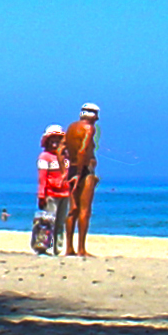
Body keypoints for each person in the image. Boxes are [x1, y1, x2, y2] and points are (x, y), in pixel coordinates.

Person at [60, 102, 102, 257]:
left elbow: (61, 149)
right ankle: (81, 249)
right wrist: (79, 172)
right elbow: (83, 150)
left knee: (73, 210)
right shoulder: (89, 128)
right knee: (84, 210)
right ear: (94, 115)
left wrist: (65, 170)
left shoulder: (71, 127)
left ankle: (69, 248)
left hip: (71, 169)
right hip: (83, 171)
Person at [30, 124, 70, 255]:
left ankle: (58, 248)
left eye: (57, 141)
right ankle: (43, 246)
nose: (55, 144)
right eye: (52, 140)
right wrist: (42, 195)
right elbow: (42, 178)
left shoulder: (66, 157)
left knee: (60, 222)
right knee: (47, 222)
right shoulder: (44, 157)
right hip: (51, 194)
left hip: (65, 193)